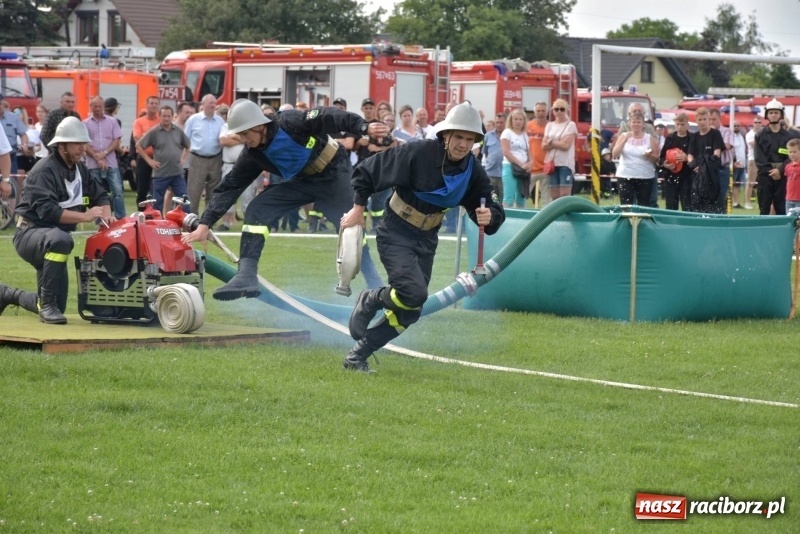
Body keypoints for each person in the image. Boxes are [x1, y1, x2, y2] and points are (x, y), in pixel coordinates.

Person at [339, 101, 505, 372]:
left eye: (469, 139)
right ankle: (370, 299)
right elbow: (368, 171)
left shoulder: (473, 171)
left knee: (411, 309)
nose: (463, 144)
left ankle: (357, 356)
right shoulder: (418, 152)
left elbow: (491, 205)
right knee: (414, 293)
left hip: (427, 238)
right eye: (459, 137)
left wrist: (491, 216)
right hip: (395, 230)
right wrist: (358, 208)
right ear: (446, 135)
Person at [181, 99, 389, 301]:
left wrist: (363, 126)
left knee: (350, 231)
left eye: (245, 133)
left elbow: (328, 115)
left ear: (259, 125)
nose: (243, 139)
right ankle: (246, 276)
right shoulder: (253, 154)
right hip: (303, 181)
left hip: (334, 173)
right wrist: (205, 223)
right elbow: (230, 187)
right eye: (240, 135)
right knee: (257, 210)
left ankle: (375, 284)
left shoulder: (289, 122)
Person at [11, 117, 113, 324]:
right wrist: (85, 216)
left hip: (52, 238)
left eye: (84, 143)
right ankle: (47, 306)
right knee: (62, 240)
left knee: (60, 304)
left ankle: (9, 295)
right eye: (78, 143)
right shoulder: (43, 171)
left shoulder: (80, 169)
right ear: (62, 145)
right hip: (29, 234)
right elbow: (48, 211)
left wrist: (107, 214)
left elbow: (101, 195)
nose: (83, 148)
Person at [136, 106, 191, 213]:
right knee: (157, 204)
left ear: (172, 116)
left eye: (169, 116)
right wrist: (149, 161)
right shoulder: (154, 131)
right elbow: (139, 145)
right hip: (160, 174)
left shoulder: (178, 131)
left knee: (184, 201)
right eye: (164, 116)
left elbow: (188, 145)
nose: (166, 118)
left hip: (177, 173)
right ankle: (158, 226)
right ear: (160, 116)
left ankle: (187, 225)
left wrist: (184, 157)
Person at [754, 99, 800, 216]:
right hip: (765, 176)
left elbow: (791, 157)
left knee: (782, 209)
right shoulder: (760, 134)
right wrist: (770, 171)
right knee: (764, 208)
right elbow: (758, 157)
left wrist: (779, 171)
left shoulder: (788, 136)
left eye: (776, 112)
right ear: (766, 115)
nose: (773, 115)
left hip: (783, 177)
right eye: (770, 113)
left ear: (781, 114)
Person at [83, 96, 126, 219]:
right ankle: (101, 219)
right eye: (95, 106)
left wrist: (104, 153)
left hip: (111, 163)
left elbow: (116, 140)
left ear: (103, 107)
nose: (97, 108)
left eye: (99, 106)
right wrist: (98, 158)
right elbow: (84, 143)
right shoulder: (85, 123)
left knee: (117, 191)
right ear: (91, 107)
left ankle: (120, 218)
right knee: (97, 193)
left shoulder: (112, 121)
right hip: (92, 163)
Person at [184, 94, 225, 214]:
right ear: (203, 105)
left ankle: (208, 220)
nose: (213, 105)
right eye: (210, 103)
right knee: (194, 192)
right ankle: (192, 219)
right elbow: (185, 140)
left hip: (215, 159)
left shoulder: (220, 120)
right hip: (197, 159)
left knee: (213, 192)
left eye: (214, 103)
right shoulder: (193, 119)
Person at [612, 110, 659, 206]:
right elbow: (614, 154)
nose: (636, 124)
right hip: (625, 175)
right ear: (630, 124)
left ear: (643, 125)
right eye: (634, 122)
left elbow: (657, 158)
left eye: (638, 122)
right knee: (626, 205)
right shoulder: (624, 135)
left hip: (645, 176)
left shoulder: (649, 138)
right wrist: (624, 140)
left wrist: (650, 155)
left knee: (643, 205)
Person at [687, 107, 725, 213]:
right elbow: (690, 155)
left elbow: (717, 152)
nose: (702, 122)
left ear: (708, 120)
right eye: (700, 119)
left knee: (715, 203)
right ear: (696, 121)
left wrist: (704, 166)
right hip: (697, 175)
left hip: (712, 174)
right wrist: (693, 165)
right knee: (697, 204)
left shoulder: (715, 134)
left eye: (704, 119)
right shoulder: (694, 137)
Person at [542, 98, 577, 201]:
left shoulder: (571, 125)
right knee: (554, 194)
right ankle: (556, 215)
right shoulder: (549, 125)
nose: (559, 112)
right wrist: (558, 142)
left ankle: (565, 215)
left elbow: (566, 146)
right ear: (553, 111)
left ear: (566, 110)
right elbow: (543, 146)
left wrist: (551, 141)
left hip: (565, 163)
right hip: (552, 163)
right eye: (556, 109)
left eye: (562, 109)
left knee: (564, 194)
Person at [659, 113, 692, 211]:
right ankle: (671, 224)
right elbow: (662, 156)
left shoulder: (692, 138)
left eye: (682, 124)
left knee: (687, 204)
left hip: (687, 176)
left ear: (687, 125)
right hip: (671, 176)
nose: (680, 127)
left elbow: (697, 156)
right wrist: (665, 164)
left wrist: (687, 158)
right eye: (677, 124)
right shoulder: (670, 138)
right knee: (671, 205)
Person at [132, 96, 161, 205]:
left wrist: (146, 135)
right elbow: (138, 140)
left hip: (159, 159)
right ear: (147, 105)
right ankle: (141, 215)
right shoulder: (139, 122)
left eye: (156, 103)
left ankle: (157, 214)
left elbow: (164, 139)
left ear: (159, 106)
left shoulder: (161, 121)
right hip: (143, 159)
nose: (154, 105)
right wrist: (154, 138)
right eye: (151, 103)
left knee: (157, 189)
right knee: (142, 190)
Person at [500, 109, 530, 208]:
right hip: (510, 166)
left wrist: (530, 163)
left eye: (521, 119)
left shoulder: (524, 135)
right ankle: (505, 220)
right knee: (508, 198)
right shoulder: (507, 132)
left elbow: (529, 152)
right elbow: (506, 152)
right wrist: (520, 164)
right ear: (511, 120)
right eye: (515, 119)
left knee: (521, 197)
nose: (518, 121)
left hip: (523, 169)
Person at [709, 108, 733, 212]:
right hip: (709, 169)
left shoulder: (727, 131)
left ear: (719, 119)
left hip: (722, 168)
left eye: (713, 119)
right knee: (709, 196)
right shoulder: (706, 132)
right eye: (709, 119)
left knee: (722, 196)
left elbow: (727, 146)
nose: (711, 122)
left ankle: (721, 218)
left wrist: (713, 146)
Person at [526, 102, 551, 207]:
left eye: (543, 111)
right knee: (523, 196)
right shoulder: (528, 125)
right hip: (530, 168)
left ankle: (546, 220)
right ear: (534, 112)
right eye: (538, 111)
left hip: (546, 168)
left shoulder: (550, 126)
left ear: (547, 112)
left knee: (547, 200)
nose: (541, 113)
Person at [482, 112, 505, 200]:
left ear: (506, 123)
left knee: (502, 198)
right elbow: (485, 152)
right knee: (491, 197)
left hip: (503, 173)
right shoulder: (488, 136)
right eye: (497, 122)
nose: (499, 125)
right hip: (490, 172)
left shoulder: (508, 135)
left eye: (501, 122)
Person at [744, 116, 762, 209]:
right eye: (756, 122)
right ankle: (747, 202)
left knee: (761, 182)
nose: (758, 124)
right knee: (750, 182)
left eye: (759, 122)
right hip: (753, 159)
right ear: (753, 124)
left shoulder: (762, 133)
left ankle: (760, 201)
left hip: (762, 160)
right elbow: (753, 144)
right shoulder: (750, 134)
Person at [731, 120, 747, 208]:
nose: (737, 127)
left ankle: (736, 202)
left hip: (742, 164)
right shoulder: (731, 137)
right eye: (735, 125)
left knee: (737, 185)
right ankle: (731, 202)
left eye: (738, 125)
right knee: (732, 183)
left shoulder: (741, 136)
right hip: (735, 164)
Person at [782, 138, 800, 213]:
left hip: (799, 200)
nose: (792, 154)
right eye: (790, 152)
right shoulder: (787, 166)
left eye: (794, 152)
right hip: (789, 199)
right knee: (789, 221)